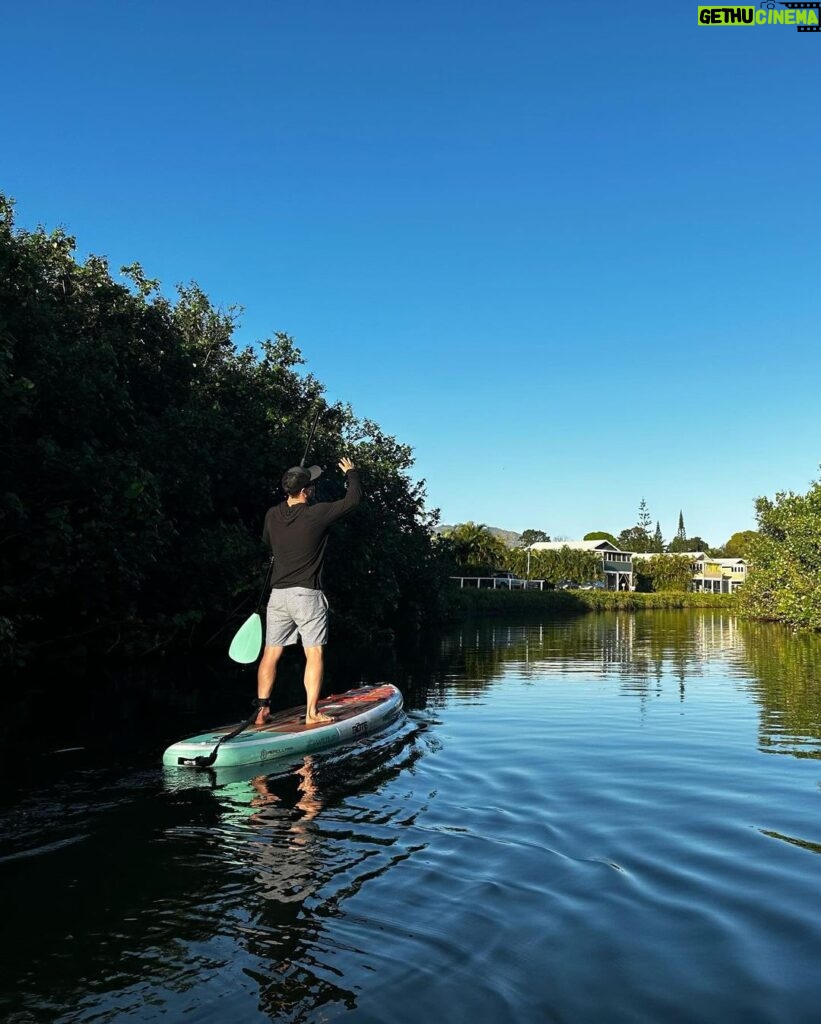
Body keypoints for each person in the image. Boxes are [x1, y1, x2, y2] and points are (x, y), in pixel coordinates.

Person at [256, 457, 361, 726]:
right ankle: (312, 713)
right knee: (313, 653)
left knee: (271, 653)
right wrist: (351, 473)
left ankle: (262, 710)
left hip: (277, 595)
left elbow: (268, 541)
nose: (313, 488)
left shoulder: (271, 514)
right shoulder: (316, 514)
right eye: (311, 485)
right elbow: (352, 500)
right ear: (305, 491)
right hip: (307, 595)